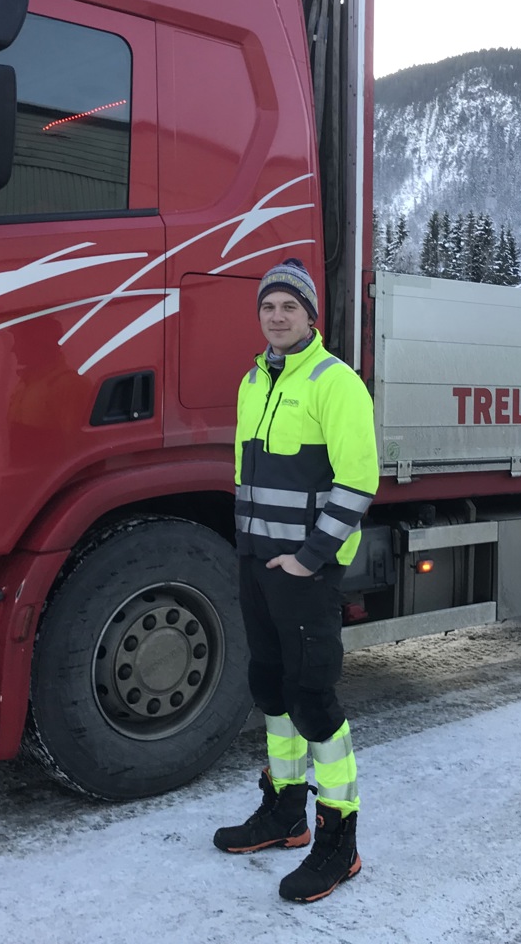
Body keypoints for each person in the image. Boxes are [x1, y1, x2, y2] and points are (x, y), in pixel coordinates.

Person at [213, 257, 379, 903]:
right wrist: (251, 553)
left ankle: (340, 842)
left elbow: (358, 480)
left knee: (313, 698)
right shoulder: (253, 381)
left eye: (289, 307)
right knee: (271, 688)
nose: (277, 317)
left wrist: (310, 558)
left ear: (311, 316)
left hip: (303, 571)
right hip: (258, 563)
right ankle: (284, 815)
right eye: (268, 307)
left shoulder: (336, 382)